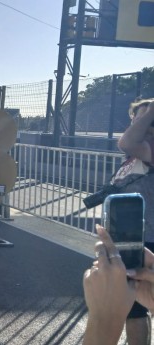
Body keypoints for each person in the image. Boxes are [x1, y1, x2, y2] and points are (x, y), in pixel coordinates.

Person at [112, 98, 154, 344]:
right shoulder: (138, 151)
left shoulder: (148, 148)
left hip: (148, 240)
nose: (136, 124)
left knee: (138, 305)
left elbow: (126, 141)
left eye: (144, 119)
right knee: (134, 305)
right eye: (134, 118)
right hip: (131, 236)